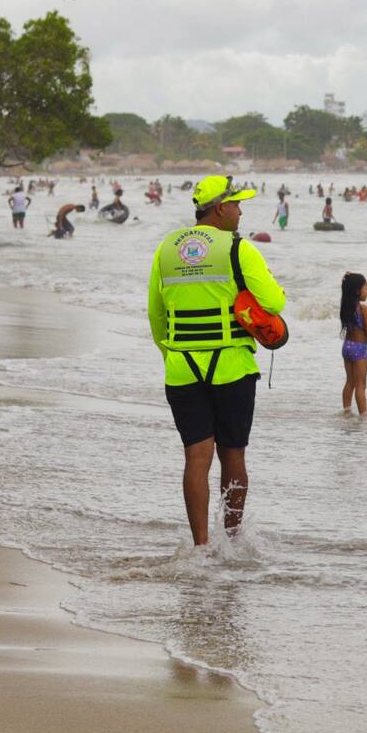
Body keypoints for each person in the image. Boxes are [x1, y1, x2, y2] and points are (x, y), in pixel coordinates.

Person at [148, 175, 286, 546]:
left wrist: (172, 355)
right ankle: (234, 538)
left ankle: (201, 546)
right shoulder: (237, 248)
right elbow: (273, 304)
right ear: (221, 208)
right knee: (233, 454)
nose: (241, 211)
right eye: (237, 204)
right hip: (232, 366)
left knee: (196, 455)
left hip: (181, 367)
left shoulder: (166, 249)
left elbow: (156, 315)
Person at [339, 272, 367, 417]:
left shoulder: (346, 307)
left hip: (347, 347)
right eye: (365, 288)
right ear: (357, 291)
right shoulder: (364, 309)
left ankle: (346, 411)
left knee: (350, 382)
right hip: (359, 350)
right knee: (361, 385)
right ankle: (364, 415)